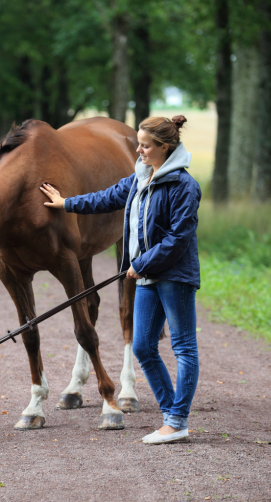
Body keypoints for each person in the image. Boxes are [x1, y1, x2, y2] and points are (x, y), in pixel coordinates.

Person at [40, 115, 201, 444]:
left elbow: (178, 238)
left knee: (184, 348)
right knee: (143, 346)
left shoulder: (185, 187)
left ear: (164, 148)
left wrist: (140, 262)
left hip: (174, 276)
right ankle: (172, 412)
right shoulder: (140, 177)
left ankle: (177, 419)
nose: (138, 150)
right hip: (147, 277)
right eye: (138, 143)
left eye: (144, 145)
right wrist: (66, 203)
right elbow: (106, 199)